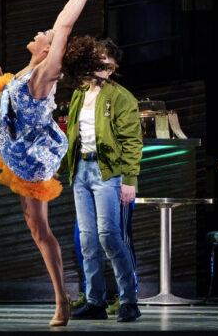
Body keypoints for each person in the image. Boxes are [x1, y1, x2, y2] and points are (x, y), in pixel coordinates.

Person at [0, 0, 107, 327]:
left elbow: (64, 25)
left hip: (31, 156)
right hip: (12, 140)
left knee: (37, 227)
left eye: (44, 36)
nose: (41, 32)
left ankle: (62, 299)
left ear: (48, 50)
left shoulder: (46, 72)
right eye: (44, 34)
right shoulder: (29, 70)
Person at [59, 35, 142, 322]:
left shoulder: (121, 97)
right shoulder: (80, 92)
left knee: (110, 236)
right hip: (81, 170)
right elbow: (73, 132)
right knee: (87, 240)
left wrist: (129, 180)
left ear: (112, 65)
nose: (101, 66)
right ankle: (95, 300)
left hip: (108, 173)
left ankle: (129, 300)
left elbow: (132, 141)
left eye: (106, 62)